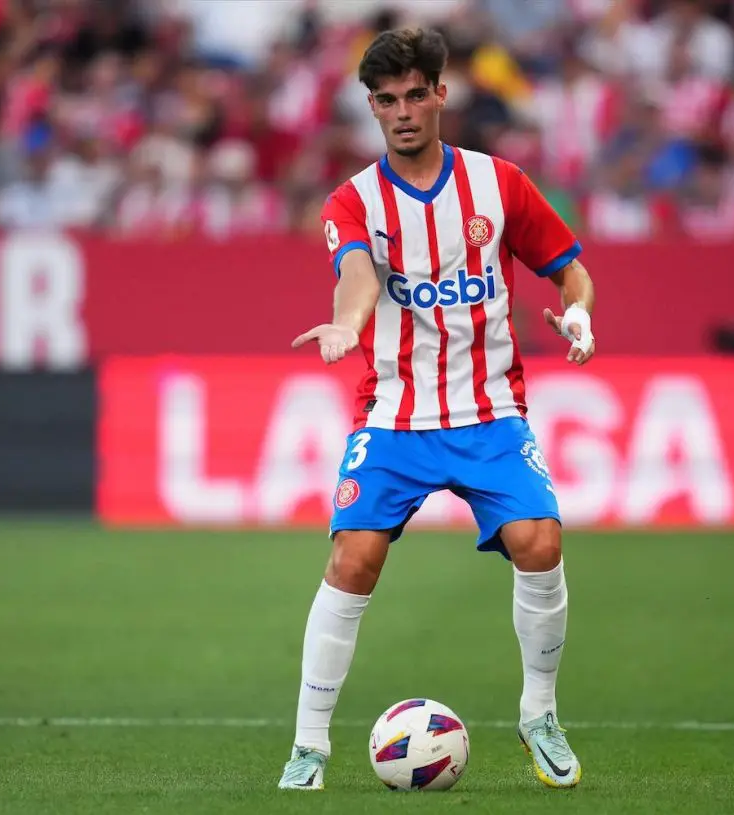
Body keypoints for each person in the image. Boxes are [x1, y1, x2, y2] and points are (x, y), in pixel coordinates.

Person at [280, 27, 596, 792]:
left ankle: (539, 714)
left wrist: (579, 314)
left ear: (440, 94)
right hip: (393, 415)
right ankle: (309, 746)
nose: (403, 112)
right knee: (353, 559)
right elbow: (355, 276)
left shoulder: (501, 185)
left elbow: (571, 272)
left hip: (489, 412)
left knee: (541, 541)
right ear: (372, 108)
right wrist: (349, 325)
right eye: (386, 101)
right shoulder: (352, 201)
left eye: (415, 95)